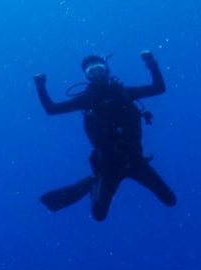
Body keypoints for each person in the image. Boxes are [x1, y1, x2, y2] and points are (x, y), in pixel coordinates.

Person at [34, 51, 176, 221]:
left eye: (99, 69)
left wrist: (151, 63)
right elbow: (52, 109)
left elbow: (158, 88)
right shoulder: (87, 99)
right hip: (109, 166)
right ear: (87, 76)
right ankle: (92, 183)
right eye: (91, 71)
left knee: (170, 200)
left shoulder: (124, 92)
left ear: (107, 70)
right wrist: (40, 86)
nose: (97, 74)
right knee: (99, 216)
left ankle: (95, 182)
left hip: (136, 160)